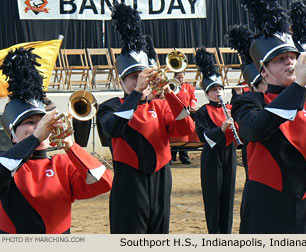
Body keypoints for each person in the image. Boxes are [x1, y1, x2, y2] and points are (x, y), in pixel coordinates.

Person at [232, 0, 306, 233]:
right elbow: (257, 128)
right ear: (263, 71)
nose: (290, 62)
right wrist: (298, 84)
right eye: (280, 59)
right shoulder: (248, 102)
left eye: (292, 57)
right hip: (267, 204)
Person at [96, 2, 195, 234]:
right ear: (121, 81)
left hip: (162, 178)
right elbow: (112, 128)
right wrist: (137, 93)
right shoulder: (110, 107)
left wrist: (169, 92)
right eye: (132, 77)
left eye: (142, 76)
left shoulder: (161, 105)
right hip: (129, 182)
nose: (138, 80)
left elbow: (186, 128)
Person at [0, 47, 113, 234]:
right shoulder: (7, 164)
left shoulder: (62, 164)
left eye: (42, 121)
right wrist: (35, 138)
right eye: (29, 123)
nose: (40, 127)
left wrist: (70, 146)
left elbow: (104, 182)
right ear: (12, 134)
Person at [194, 47, 237, 233]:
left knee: (228, 196)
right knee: (213, 197)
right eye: (213, 90)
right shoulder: (203, 111)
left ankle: (226, 235)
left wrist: (237, 128)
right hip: (212, 156)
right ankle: (215, 235)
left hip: (230, 153)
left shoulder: (232, 108)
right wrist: (221, 129)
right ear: (207, 93)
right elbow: (202, 135)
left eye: (220, 89)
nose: (218, 92)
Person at [170, 71, 197, 165]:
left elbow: (193, 98)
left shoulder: (189, 87)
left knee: (185, 136)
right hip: (174, 113)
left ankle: (184, 156)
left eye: (182, 77)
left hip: (186, 113)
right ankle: (171, 157)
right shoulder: (170, 86)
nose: (181, 79)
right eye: (179, 77)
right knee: (175, 135)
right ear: (175, 77)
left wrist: (192, 105)